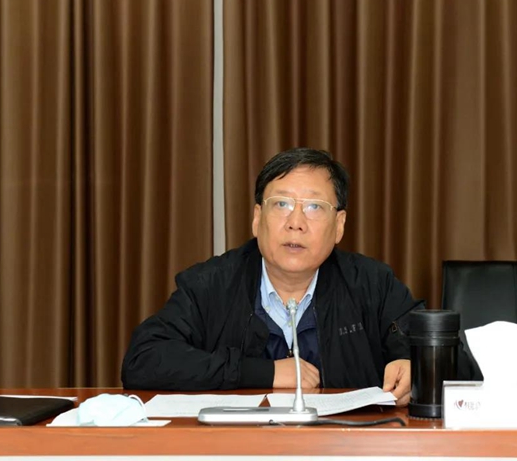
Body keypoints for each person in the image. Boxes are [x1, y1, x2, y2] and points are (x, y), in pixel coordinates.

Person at [121, 148, 417, 406]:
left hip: (344, 445)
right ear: (257, 218)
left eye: (314, 207)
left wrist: (412, 362)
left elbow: (424, 340)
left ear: (339, 225)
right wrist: (265, 372)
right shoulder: (211, 285)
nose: (296, 223)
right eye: (281, 204)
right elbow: (143, 360)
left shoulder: (372, 284)